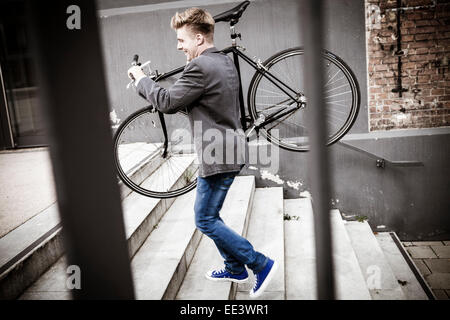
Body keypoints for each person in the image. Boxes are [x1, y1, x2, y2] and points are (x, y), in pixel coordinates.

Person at [127, 7, 277, 299]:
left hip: (218, 155)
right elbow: (199, 100)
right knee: (209, 215)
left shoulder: (199, 67)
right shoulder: (221, 62)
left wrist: (141, 79)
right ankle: (234, 267)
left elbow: (169, 102)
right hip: (228, 150)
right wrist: (164, 91)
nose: (179, 46)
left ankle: (260, 264)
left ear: (198, 38)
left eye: (182, 40)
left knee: (204, 219)